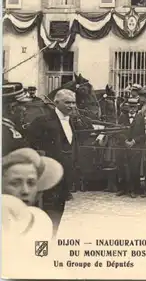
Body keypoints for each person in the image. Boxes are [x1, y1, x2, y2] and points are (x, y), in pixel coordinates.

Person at [27, 89, 93, 236]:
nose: (71, 106)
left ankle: (53, 237)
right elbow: (30, 144)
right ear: (56, 103)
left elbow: (86, 135)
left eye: (73, 103)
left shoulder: (73, 121)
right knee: (47, 209)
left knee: (59, 208)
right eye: (67, 102)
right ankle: (43, 243)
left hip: (66, 174)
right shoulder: (43, 121)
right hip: (48, 175)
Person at [3, 82, 30, 156]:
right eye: (22, 105)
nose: (25, 110)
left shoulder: (9, 127)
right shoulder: (5, 131)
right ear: (12, 108)